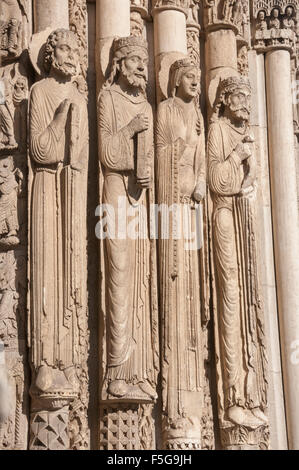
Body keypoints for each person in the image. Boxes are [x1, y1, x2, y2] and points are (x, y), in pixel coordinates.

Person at [98, 36, 158, 401]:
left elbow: (147, 155)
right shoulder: (108, 98)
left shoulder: (147, 108)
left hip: (139, 196)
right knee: (119, 275)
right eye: (134, 60)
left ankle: (138, 370)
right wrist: (131, 130)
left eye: (144, 61)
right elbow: (107, 152)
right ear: (118, 63)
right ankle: (115, 369)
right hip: (115, 191)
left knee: (140, 279)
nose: (141, 67)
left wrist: (147, 169)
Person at [208, 76, 268, 429]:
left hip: (244, 219)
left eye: (249, 96)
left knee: (249, 299)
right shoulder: (217, 130)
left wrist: (250, 164)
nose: (246, 102)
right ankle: (232, 395)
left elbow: (252, 182)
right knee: (231, 298)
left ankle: (252, 393)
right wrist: (237, 156)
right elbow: (216, 180)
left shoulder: (244, 132)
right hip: (224, 219)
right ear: (225, 99)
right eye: (239, 96)